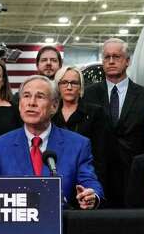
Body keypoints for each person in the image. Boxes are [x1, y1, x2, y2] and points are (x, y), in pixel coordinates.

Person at [0, 75, 103, 209]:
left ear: (54, 106)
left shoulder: (78, 144)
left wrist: (90, 196)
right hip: (14, 226)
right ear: (19, 105)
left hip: (60, 223)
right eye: (26, 96)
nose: (32, 103)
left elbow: (89, 182)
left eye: (40, 96)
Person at [52, 65, 126, 206]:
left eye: (74, 83)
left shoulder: (95, 113)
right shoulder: (50, 115)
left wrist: (96, 188)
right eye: (64, 82)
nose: (69, 87)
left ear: (80, 87)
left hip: (88, 179)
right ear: (58, 86)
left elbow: (103, 154)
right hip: (58, 179)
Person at [82, 38, 144, 157]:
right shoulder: (88, 95)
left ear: (127, 61)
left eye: (116, 57)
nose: (111, 61)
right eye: (107, 57)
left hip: (133, 168)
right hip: (98, 168)